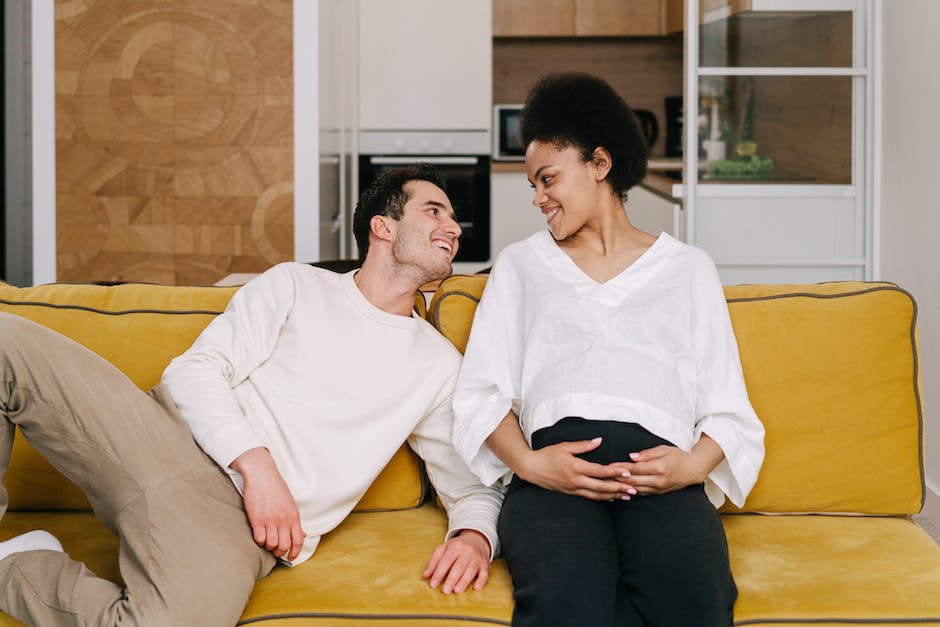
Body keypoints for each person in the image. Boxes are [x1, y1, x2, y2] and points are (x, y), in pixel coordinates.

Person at [0, 163, 504, 626]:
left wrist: (475, 538)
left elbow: (472, 483)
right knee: (6, 342)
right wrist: (258, 467)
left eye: (455, 219)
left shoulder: (437, 365)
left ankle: (20, 564)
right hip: (161, 443)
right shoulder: (295, 285)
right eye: (434, 211)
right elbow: (194, 371)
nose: (455, 228)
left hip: (235, 533)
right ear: (383, 226)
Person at [451, 73, 766, 627]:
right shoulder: (521, 266)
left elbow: (728, 406)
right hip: (553, 478)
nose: (538, 198)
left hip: (661, 481)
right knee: (568, 606)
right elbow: (480, 393)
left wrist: (691, 466)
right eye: (532, 186)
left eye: (548, 179)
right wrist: (530, 464)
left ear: (599, 164)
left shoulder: (687, 268)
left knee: (696, 603)